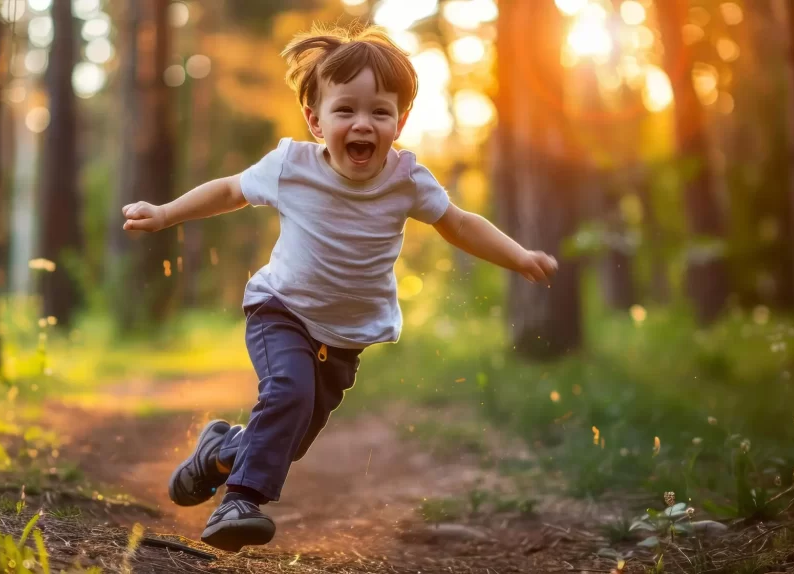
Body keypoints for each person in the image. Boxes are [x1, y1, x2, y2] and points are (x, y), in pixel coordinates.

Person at [121, 24, 558, 552]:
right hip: (280, 310)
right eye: (345, 109)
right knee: (288, 393)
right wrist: (165, 214)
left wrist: (518, 256)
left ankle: (219, 451)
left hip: (345, 337)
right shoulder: (292, 165)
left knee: (288, 438)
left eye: (379, 112)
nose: (362, 124)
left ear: (400, 121)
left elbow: (461, 224)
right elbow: (231, 190)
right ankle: (238, 501)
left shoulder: (407, 180)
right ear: (315, 119)